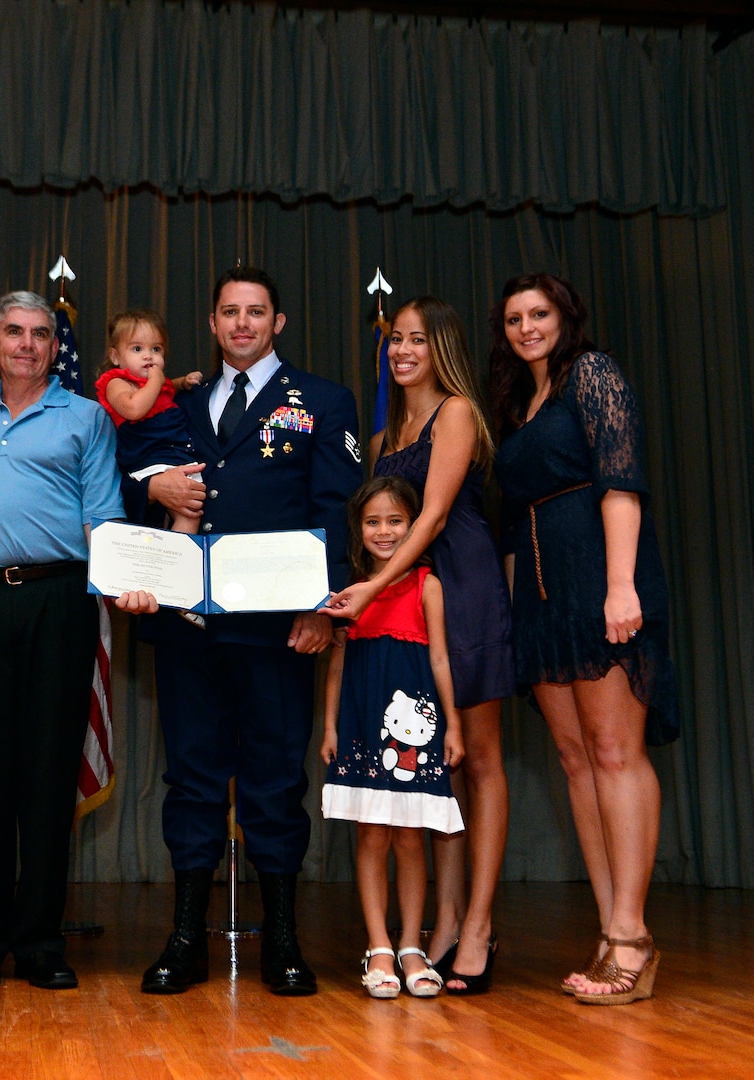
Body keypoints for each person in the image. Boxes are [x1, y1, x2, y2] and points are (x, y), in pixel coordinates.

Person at [120, 266, 362, 997]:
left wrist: (322, 606)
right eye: (230, 312)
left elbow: (335, 508)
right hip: (188, 626)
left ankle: (282, 940)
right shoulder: (178, 401)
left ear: (278, 322)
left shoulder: (322, 401)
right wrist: (151, 488)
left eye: (257, 312)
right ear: (215, 321)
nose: (243, 324)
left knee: (275, 780)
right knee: (191, 781)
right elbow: (126, 471)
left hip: (276, 628)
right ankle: (186, 937)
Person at [487, 271, 679, 1006]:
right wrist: (511, 613)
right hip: (538, 598)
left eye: (539, 314)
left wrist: (622, 586)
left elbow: (621, 480)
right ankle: (608, 930)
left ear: (566, 316)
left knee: (613, 751)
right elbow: (510, 521)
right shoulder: (515, 402)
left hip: (601, 581)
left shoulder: (592, 374)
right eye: (513, 319)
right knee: (573, 761)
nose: (526, 327)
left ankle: (634, 936)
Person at [0, 290, 124, 992]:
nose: (27, 344)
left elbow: (103, 515)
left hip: (59, 602)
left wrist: (125, 582)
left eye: (41, 334)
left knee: (47, 775)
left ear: (53, 345)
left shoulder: (87, 417)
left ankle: (41, 941)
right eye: (13, 331)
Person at [321, 296, 513, 994]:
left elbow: (430, 518)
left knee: (481, 758)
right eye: (394, 340)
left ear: (443, 350)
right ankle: (443, 919)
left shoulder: (457, 411)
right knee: (437, 772)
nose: (402, 351)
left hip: (458, 585)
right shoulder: (381, 439)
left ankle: (479, 924)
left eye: (417, 341)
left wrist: (373, 588)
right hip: (400, 596)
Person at [320, 476, 464, 999]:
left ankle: (410, 945)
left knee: (410, 836)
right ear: (358, 529)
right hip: (362, 724)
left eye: (396, 520)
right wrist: (331, 725)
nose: (384, 531)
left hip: (418, 732)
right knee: (372, 835)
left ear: (414, 525)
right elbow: (336, 662)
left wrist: (455, 723)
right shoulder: (350, 588)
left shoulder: (428, 585)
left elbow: (441, 659)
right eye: (373, 521)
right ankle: (378, 945)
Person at [93, 308, 204, 533]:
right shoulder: (116, 382)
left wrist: (182, 382)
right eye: (137, 348)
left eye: (156, 349)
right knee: (184, 511)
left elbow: (166, 388)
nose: (148, 356)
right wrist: (156, 380)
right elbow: (134, 408)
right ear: (115, 356)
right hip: (146, 454)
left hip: (176, 452)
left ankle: (179, 558)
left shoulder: (157, 383)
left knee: (191, 511)